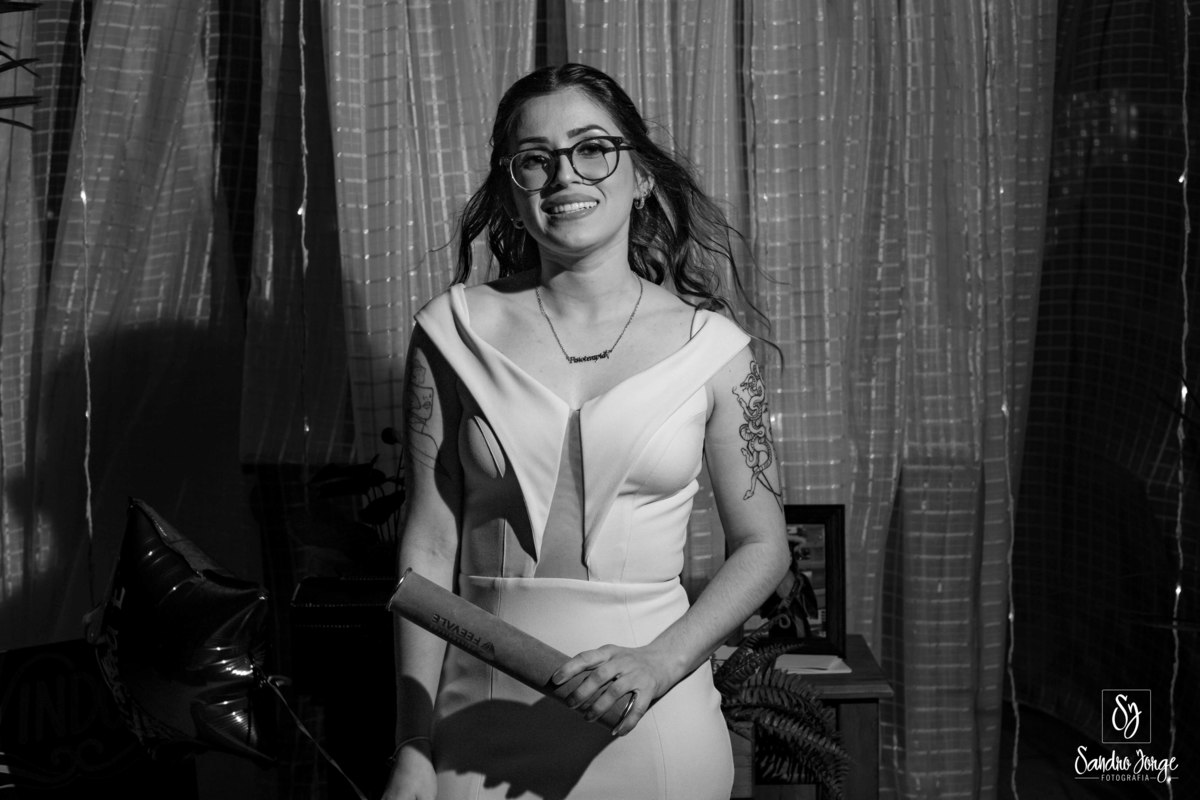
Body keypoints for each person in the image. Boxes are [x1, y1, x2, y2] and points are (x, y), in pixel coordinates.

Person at [382, 63, 789, 800]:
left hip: (654, 727)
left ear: (641, 177)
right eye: (535, 159)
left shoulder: (715, 350)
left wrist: (660, 664)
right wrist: (412, 740)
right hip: (478, 717)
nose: (565, 174)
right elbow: (430, 547)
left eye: (593, 148)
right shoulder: (449, 331)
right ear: (512, 191)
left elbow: (764, 546)